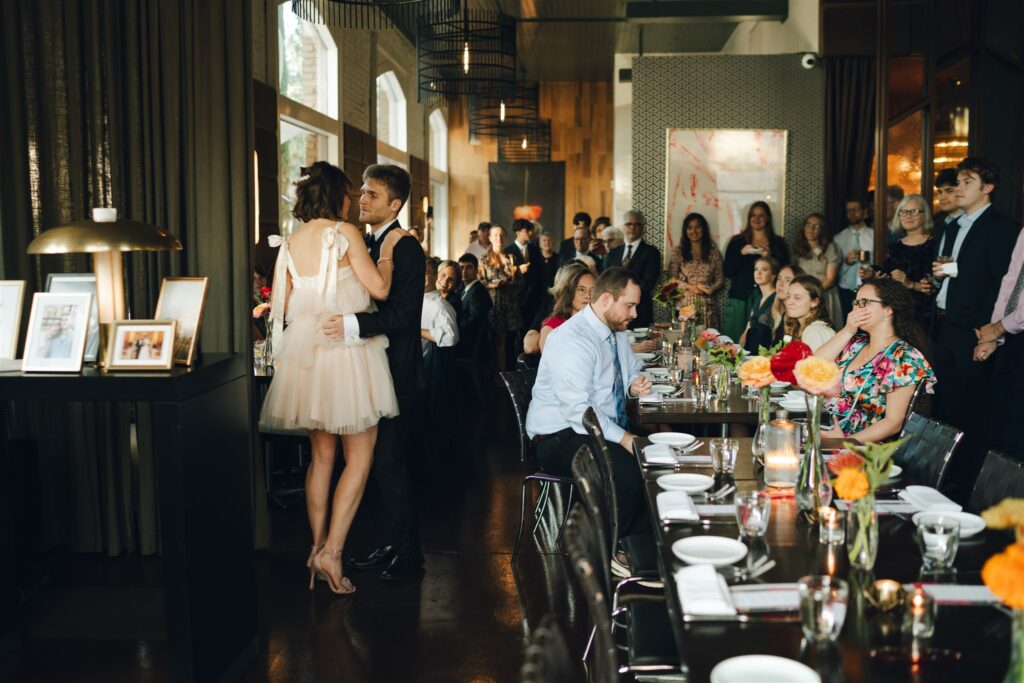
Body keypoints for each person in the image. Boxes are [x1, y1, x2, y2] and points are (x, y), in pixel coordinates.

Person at [259, 162, 402, 594]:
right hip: (347, 355)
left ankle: (315, 546)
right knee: (359, 458)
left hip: (307, 358)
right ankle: (333, 553)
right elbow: (378, 290)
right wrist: (390, 255)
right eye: (348, 192)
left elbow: (282, 307)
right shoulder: (345, 234)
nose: (352, 199)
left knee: (321, 459)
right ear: (336, 195)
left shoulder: (290, 241)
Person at [318, 163, 426, 583]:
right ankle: (386, 544)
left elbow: (402, 314)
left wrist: (352, 325)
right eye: (362, 191)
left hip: (396, 373)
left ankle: (407, 555)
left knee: (390, 465)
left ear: (395, 204)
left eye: (373, 194)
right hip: (366, 370)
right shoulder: (362, 241)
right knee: (371, 465)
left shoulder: (406, 248)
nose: (362, 198)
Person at [525, 267, 652, 537]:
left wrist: (633, 384)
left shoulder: (615, 330)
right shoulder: (573, 339)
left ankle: (633, 544)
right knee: (629, 476)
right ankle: (606, 551)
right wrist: (626, 439)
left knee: (656, 459)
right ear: (606, 299)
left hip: (594, 427)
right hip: (557, 435)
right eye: (629, 306)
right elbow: (579, 412)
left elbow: (633, 367)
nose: (634, 314)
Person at [930, 157, 1018, 499]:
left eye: (967, 181)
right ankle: (943, 475)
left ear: (988, 188)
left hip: (974, 329)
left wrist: (988, 333)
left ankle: (967, 487)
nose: (959, 187)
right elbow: (963, 273)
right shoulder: (954, 225)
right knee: (946, 405)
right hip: (945, 323)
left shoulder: (1001, 228)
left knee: (972, 409)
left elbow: (1002, 285)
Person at [817, 278, 935, 442]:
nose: (857, 308)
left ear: (888, 309)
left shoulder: (904, 357)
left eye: (864, 302)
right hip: (826, 430)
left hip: (860, 444)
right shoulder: (856, 344)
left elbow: (893, 422)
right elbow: (814, 365)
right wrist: (848, 330)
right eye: (856, 302)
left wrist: (845, 444)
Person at [974, 222, 1024, 458]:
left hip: (1014, 328)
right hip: (1012, 338)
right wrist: (993, 336)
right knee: (1002, 423)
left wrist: (999, 328)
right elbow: (1011, 281)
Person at [722, 202, 790, 340]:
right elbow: (728, 271)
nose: (757, 219)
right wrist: (741, 253)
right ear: (748, 218)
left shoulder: (778, 243)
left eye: (761, 215)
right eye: (753, 215)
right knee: (736, 337)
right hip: (740, 297)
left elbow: (785, 270)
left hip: (770, 297)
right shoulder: (737, 241)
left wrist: (770, 255)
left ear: (768, 218)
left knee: (763, 338)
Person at [879, 195, 936, 327]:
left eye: (914, 211)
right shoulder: (894, 246)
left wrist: (910, 284)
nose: (907, 216)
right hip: (897, 314)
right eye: (903, 212)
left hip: (925, 316)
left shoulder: (935, 244)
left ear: (925, 215)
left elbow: (938, 286)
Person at [603, 210, 661, 328]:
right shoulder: (613, 253)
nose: (632, 227)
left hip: (639, 312)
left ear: (643, 227)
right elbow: (605, 280)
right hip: (613, 312)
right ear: (623, 227)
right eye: (629, 224)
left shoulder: (651, 252)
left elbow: (648, 283)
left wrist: (624, 299)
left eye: (637, 224)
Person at [522, 262, 595, 355]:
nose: (588, 296)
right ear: (568, 292)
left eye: (592, 290)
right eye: (581, 289)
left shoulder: (597, 320)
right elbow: (551, 364)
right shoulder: (553, 326)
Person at [667, 212, 724, 329]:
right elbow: (672, 279)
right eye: (690, 228)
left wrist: (711, 288)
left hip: (707, 304)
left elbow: (719, 278)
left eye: (698, 227)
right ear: (685, 230)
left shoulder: (713, 252)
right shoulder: (678, 252)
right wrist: (693, 287)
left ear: (703, 229)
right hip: (685, 302)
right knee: (687, 339)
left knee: (708, 340)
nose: (694, 231)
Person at [481, 224, 524, 370]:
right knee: (497, 343)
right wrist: (495, 284)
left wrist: (511, 281)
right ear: (490, 238)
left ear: (505, 238)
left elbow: (521, 282)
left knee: (511, 343)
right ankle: (500, 375)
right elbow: (480, 283)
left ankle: (509, 374)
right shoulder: (484, 259)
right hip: (494, 306)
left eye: (501, 235)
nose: (498, 238)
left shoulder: (511, 258)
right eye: (495, 235)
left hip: (511, 308)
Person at [792, 213, 843, 330]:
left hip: (825, 295)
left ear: (822, 231)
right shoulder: (796, 249)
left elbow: (830, 279)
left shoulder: (830, 248)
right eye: (808, 225)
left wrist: (813, 295)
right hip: (804, 297)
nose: (811, 229)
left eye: (816, 226)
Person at [833, 197, 874, 319]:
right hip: (845, 289)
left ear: (865, 212)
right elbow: (834, 269)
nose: (852, 213)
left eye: (856, 209)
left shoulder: (875, 236)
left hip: (868, 288)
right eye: (849, 210)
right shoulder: (838, 238)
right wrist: (846, 262)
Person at [780, 275, 836, 351]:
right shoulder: (799, 327)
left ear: (814, 302)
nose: (790, 302)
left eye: (797, 298)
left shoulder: (815, 331)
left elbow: (814, 362)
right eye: (788, 296)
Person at [455, 253, 493, 359]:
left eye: (469, 267)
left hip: (470, 343)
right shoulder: (464, 289)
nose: (464, 271)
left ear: (477, 270)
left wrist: (456, 328)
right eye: (461, 267)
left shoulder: (478, 291)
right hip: (466, 338)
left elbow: (475, 319)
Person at [739, 256, 779, 354]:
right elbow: (749, 324)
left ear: (774, 275)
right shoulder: (759, 297)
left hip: (765, 353)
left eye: (764, 269)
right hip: (751, 349)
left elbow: (777, 332)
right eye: (756, 269)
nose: (758, 273)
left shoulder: (777, 298)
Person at [770, 264, 804, 342]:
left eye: (787, 280)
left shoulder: (801, 318)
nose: (780, 284)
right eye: (779, 278)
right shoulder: (782, 315)